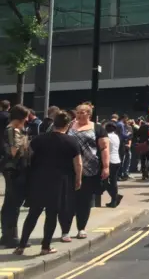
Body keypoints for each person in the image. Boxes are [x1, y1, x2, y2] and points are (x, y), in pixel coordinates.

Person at [14, 111, 82, 256]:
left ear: (54, 123)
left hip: (38, 179)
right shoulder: (71, 141)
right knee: (52, 215)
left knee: (33, 213)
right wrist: (78, 179)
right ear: (68, 124)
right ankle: (45, 247)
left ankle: (21, 246)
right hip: (59, 181)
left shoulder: (39, 139)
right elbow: (78, 164)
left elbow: (28, 156)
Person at [64, 103, 109, 241]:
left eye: (83, 112)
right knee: (67, 201)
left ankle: (81, 228)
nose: (79, 115)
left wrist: (106, 167)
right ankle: (65, 231)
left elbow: (104, 148)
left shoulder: (98, 128)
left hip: (90, 170)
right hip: (69, 169)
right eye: (78, 112)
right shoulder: (69, 126)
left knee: (84, 201)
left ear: (89, 114)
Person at [0, 105, 31, 248]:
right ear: (20, 119)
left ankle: (7, 235)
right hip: (15, 170)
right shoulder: (13, 130)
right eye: (25, 119)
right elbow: (13, 151)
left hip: (11, 170)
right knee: (14, 203)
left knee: (10, 202)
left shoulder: (10, 129)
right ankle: (11, 236)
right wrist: (25, 142)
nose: (26, 122)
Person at [104, 122, 123, 207]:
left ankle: (115, 198)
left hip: (110, 161)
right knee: (113, 181)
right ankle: (114, 199)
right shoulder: (116, 136)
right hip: (117, 160)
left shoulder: (107, 137)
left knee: (103, 181)